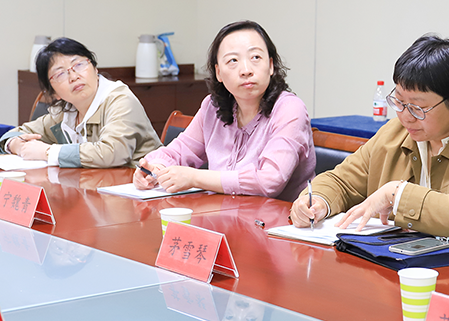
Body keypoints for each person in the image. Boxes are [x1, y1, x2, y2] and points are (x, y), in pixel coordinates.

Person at [290, 35, 449, 251]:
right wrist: (317, 202)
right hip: (411, 264)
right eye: (399, 102)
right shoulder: (396, 132)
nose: (405, 116)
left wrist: (396, 194)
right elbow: (342, 181)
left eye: (418, 108)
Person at [134, 20, 314, 201]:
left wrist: (194, 178)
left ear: (271, 65)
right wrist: (154, 168)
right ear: (218, 72)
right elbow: (178, 152)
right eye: (233, 60)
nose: (246, 70)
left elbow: (270, 180)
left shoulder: (290, 109)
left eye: (255, 57)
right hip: (222, 212)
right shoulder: (213, 107)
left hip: (278, 216)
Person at [0, 38, 161, 168]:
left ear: (95, 68)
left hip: (143, 191)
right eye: (60, 74)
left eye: (79, 65)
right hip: (96, 189)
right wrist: (16, 145)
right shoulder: (66, 112)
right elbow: (15, 134)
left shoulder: (120, 100)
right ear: (54, 93)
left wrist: (48, 152)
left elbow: (112, 153)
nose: (74, 76)